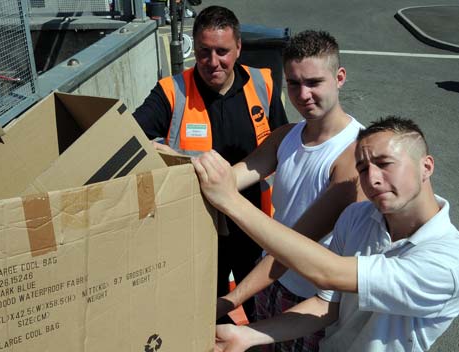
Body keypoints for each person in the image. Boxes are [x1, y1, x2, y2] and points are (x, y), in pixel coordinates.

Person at [192, 116, 459, 351]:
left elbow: (329, 273)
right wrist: (246, 335)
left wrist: (230, 200)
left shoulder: (447, 262)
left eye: (385, 163)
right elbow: (326, 305)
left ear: (426, 166)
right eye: (363, 169)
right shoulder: (358, 217)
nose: (373, 178)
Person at [133, 5, 288, 323]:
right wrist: (174, 155)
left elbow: (284, 147)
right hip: (199, 225)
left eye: (222, 51)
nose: (213, 62)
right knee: (205, 310)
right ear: (194, 48)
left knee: (261, 309)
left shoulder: (264, 86)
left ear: (239, 48)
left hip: (254, 223)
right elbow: (133, 138)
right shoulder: (172, 91)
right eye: (204, 51)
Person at [216, 30, 365, 352]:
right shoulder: (286, 135)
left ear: (339, 78)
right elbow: (231, 178)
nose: (303, 94)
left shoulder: (354, 155)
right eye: (294, 84)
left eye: (314, 82)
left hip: (315, 300)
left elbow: (294, 245)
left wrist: (230, 301)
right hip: (273, 282)